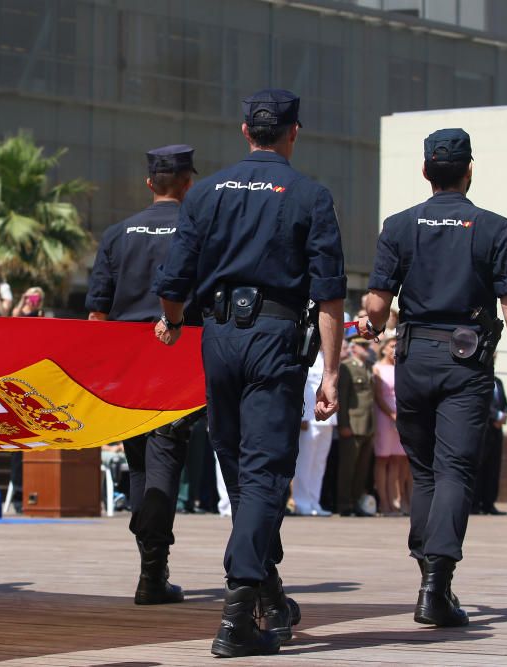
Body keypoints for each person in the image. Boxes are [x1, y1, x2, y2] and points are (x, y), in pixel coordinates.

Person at [154, 89, 346, 657]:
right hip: (275, 338)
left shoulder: (206, 192)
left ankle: (270, 591)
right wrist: (331, 373)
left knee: (239, 469)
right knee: (263, 473)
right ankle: (239, 613)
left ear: (245, 131)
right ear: (293, 132)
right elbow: (330, 296)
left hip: (217, 337)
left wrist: (172, 323)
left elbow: (173, 284)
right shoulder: (310, 195)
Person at [358, 128, 507, 628]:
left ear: (424, 171)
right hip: (466, 365)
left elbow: (376, 304)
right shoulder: (493, 227)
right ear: (469, 170)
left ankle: (428, 576)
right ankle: (437, 584)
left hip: (414, 361)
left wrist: (372, 325)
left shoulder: (397, 226)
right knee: (456, 469)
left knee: (426, 472)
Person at [85, 144, 200, 606]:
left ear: (150, 183)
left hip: (129, 362)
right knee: (167, 456)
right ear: (189, 183)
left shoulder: (117, 234)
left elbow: (96, 314)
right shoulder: (199, 232)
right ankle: (153, 569)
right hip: (178, 354)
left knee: (138, 460)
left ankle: (151, 566)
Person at [290, 351, 336, 516]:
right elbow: (302, 385)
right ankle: (302, 502)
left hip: (328, 418)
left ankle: (314, 501)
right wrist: (301, 415)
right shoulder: (308, 353)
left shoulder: (329, 356)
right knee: (305, 462)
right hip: (309, 416)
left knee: (319, 463)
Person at [336, 337, 375, 517]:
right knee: (348, 468)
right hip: (352, 424)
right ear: (353, 347)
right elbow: (342, 398)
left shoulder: (368, 367)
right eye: (362, 345)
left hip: (367, 425)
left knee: (362, 469)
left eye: (367, 345)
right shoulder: (346, 367)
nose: (366, 348)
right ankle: (344, 504)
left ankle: (356, 501)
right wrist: (343, 424)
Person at [372, 336, 408, 516]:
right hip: (384, 417)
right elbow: (378, 396)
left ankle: (396, 502)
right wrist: (392, 414)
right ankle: (384, 503)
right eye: (392, 346)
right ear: (384, 348)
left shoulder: (400, 368)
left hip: (400, 417)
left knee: (397, 460)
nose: (395, 349)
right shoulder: (377, 368)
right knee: (382, 459)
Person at [473, 363, 507, 515]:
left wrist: (504, 415)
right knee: (478, 466)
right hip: (483, 428)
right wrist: (496, 416)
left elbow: (504, 402)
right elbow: (481, 402)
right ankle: (474, 504)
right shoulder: (476, 379)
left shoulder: (498, 381)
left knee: (493, 467)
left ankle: (489, 503)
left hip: (496, 430)